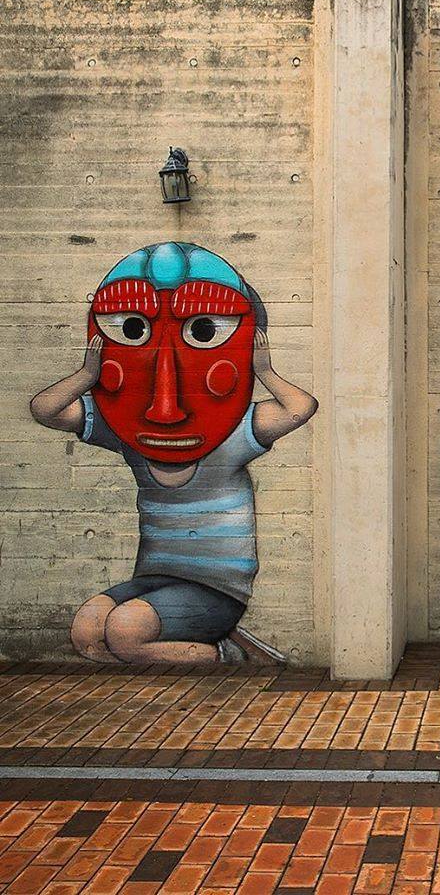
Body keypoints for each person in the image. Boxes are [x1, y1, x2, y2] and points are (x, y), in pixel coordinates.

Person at [30, 241, 318, 666]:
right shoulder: (129, 436)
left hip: (216, 589)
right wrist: (87, 374)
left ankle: (227, 654)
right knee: (87, 632)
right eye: (131, 327)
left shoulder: (236, 435)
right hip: (154, 579)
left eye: (205, 330)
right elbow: (45, 409)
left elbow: (300, 407)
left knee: (124, 633)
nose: (165, 409)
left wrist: (264, 371)